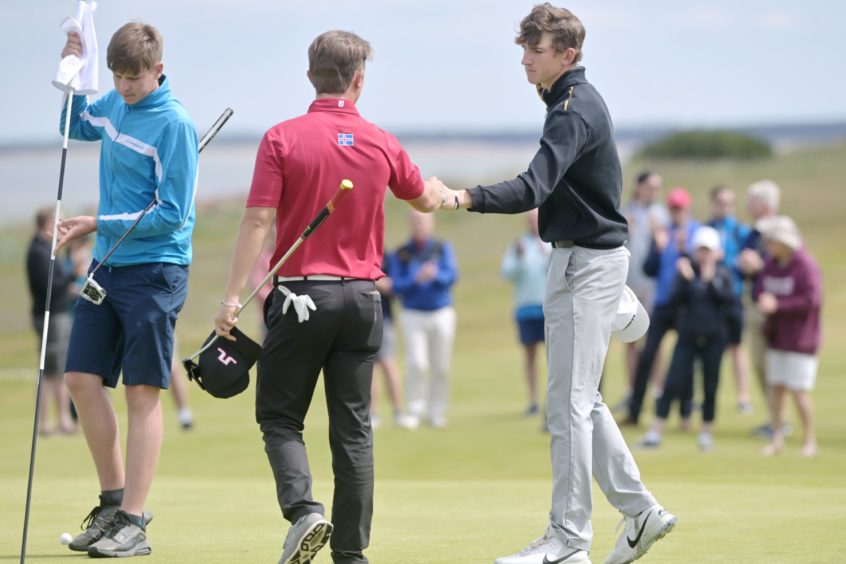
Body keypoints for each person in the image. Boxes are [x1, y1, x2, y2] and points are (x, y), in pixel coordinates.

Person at [438, 5, 676, 563]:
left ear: (567, 55)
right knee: (582, 399)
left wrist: (460, 196)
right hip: (582, 262)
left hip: (586, 268)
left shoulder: (570, 109)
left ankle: (568, 543)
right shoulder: (569, 103)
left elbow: (533, 187)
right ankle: (640, 510)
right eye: (523, 48)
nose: (524, 59)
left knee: (567, 405)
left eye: (535, 50)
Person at [212, 30, 443, 564]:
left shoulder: (281, 138)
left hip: (300, 297)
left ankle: (304, 513)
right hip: (363, 301)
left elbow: (257, 219)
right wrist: (449, 193)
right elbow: (425, 199)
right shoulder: (382, 141)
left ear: (311, 75)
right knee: (354, 431)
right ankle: (351, 553)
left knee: (279, 417)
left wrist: (230, 299)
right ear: (359, 80)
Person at [55, 23, 198, 557]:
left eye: (134, 77)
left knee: (141, 391)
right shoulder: (113, 103)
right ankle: (113, 503)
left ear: (157, 70)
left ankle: (134, 523)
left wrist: (97, 223)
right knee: (79, 378)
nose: (124, 86)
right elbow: (72, 123)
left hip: (155, 271)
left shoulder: (175, 123)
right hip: (107, 268)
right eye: (116, 75)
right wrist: (73, 66)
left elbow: (172, 215)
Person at [638, 226, 734, 452]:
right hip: (688, 335)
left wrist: (708, 281)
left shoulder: (723, 273)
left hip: (714, 337)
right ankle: (655, 430)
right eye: (701, 250)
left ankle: (706, 432)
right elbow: (674, 301)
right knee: (673, 381)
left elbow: (727, 302)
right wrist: (689, 280)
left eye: (708, 250)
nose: (704, 255)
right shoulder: (684, 272)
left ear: (716, 252)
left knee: (710, 384)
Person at [625, 187, 700, 427]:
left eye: (680, 208)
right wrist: (657, 249)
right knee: (646, 356)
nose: (676, 212)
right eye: (673, 208)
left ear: (687, 208)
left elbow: (700, 271)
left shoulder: (697, 233)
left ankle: (685, 413)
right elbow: (649, 269)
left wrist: (683, 250)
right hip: (663, 303)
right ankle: (634, 411)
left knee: (684, 359)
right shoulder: (662, 234)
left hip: (687, 304)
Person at [755, 216, 822, 457]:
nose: (768, 245)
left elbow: (812, 300)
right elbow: (761, 288)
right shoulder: (770, 264)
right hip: (776, 336)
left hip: (800, 338)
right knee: (777, 389)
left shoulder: (805, 264)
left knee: (798, 389)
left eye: (771, 241)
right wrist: (763, 300)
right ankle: (776, 438)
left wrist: (778, 305)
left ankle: (810, 440)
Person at [388, 211, 458, 429]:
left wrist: (435, 275)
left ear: (431, 223)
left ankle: (436, 411)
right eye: (416, 221)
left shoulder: (441, 248)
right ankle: (414, 410)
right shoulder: (401, 253)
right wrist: (416, 278)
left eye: (423, 221)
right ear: (410, 224)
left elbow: (451, 277)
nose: (419, 225)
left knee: (441, 365)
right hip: (412, 314)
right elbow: (396, 286)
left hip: (441, 312)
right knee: (416, 363)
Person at [26, 206, 78, 436]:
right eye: (58, 221)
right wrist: (73, 274)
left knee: (56, 368)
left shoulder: (46, 248)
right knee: (51, 371)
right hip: (51, 315)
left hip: (58, 314)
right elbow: (51, 286)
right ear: (47, 223)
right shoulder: (38, 251)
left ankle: (62, 419)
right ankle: (50, 422)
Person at [621, 171, 668, 408]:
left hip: (653, 285)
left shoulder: (661, 214)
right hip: (629, 285)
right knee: (630, 339)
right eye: (651, 187)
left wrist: (657, 235)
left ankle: (658, 388)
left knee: (654, 340)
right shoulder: (625, 212)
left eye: (657, 188)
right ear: (639, 187)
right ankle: (633, 389)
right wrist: (624, 229)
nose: (654, 192)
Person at [500, 208, 551, 416]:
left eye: (536, 219)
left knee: (553, 356)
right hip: (526, 306)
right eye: (530, 220)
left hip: (548, 306)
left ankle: (552, 400)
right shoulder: (519, 245)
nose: (533, 223)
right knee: (530, 355)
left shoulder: (551, 242)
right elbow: (507, 274)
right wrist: (520, 258)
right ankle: (533, 400)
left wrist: (544, 254)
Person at [707, 185, 752, 413]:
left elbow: (751, 260)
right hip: (710, 297)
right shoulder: (707, 229)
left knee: (736, 346)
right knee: (707, 348)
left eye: (729, 203)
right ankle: (705, 395)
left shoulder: (741, 231)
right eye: (721, 202)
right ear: (713, 203)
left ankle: (743, 397)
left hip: (733, 295)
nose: (725, 206)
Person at [370, 268, 417, 430]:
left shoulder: (387, 258)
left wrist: (375, 282)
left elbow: (394, 286)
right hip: (361, 315)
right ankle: (372, 414)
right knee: (370, 366)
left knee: (388, 363)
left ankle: (398, 412)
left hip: (384, 318)